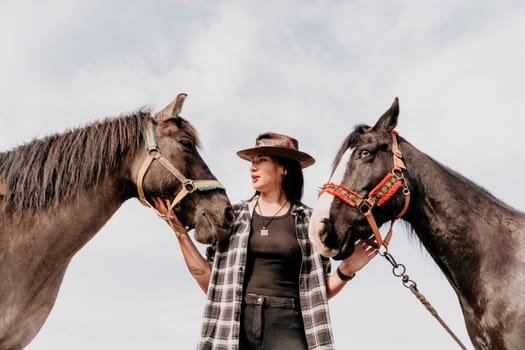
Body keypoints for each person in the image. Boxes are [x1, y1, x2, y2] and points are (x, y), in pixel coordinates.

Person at [152, 132, 378, 350]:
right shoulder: (234, 217)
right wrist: (180, 233)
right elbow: (212, 284)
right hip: (236, 330)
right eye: (252, 161)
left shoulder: (311, 222)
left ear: (283, 168)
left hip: (289, 329)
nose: (253, 167)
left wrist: (347, 269)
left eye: (261, 160)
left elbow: (319, 292)